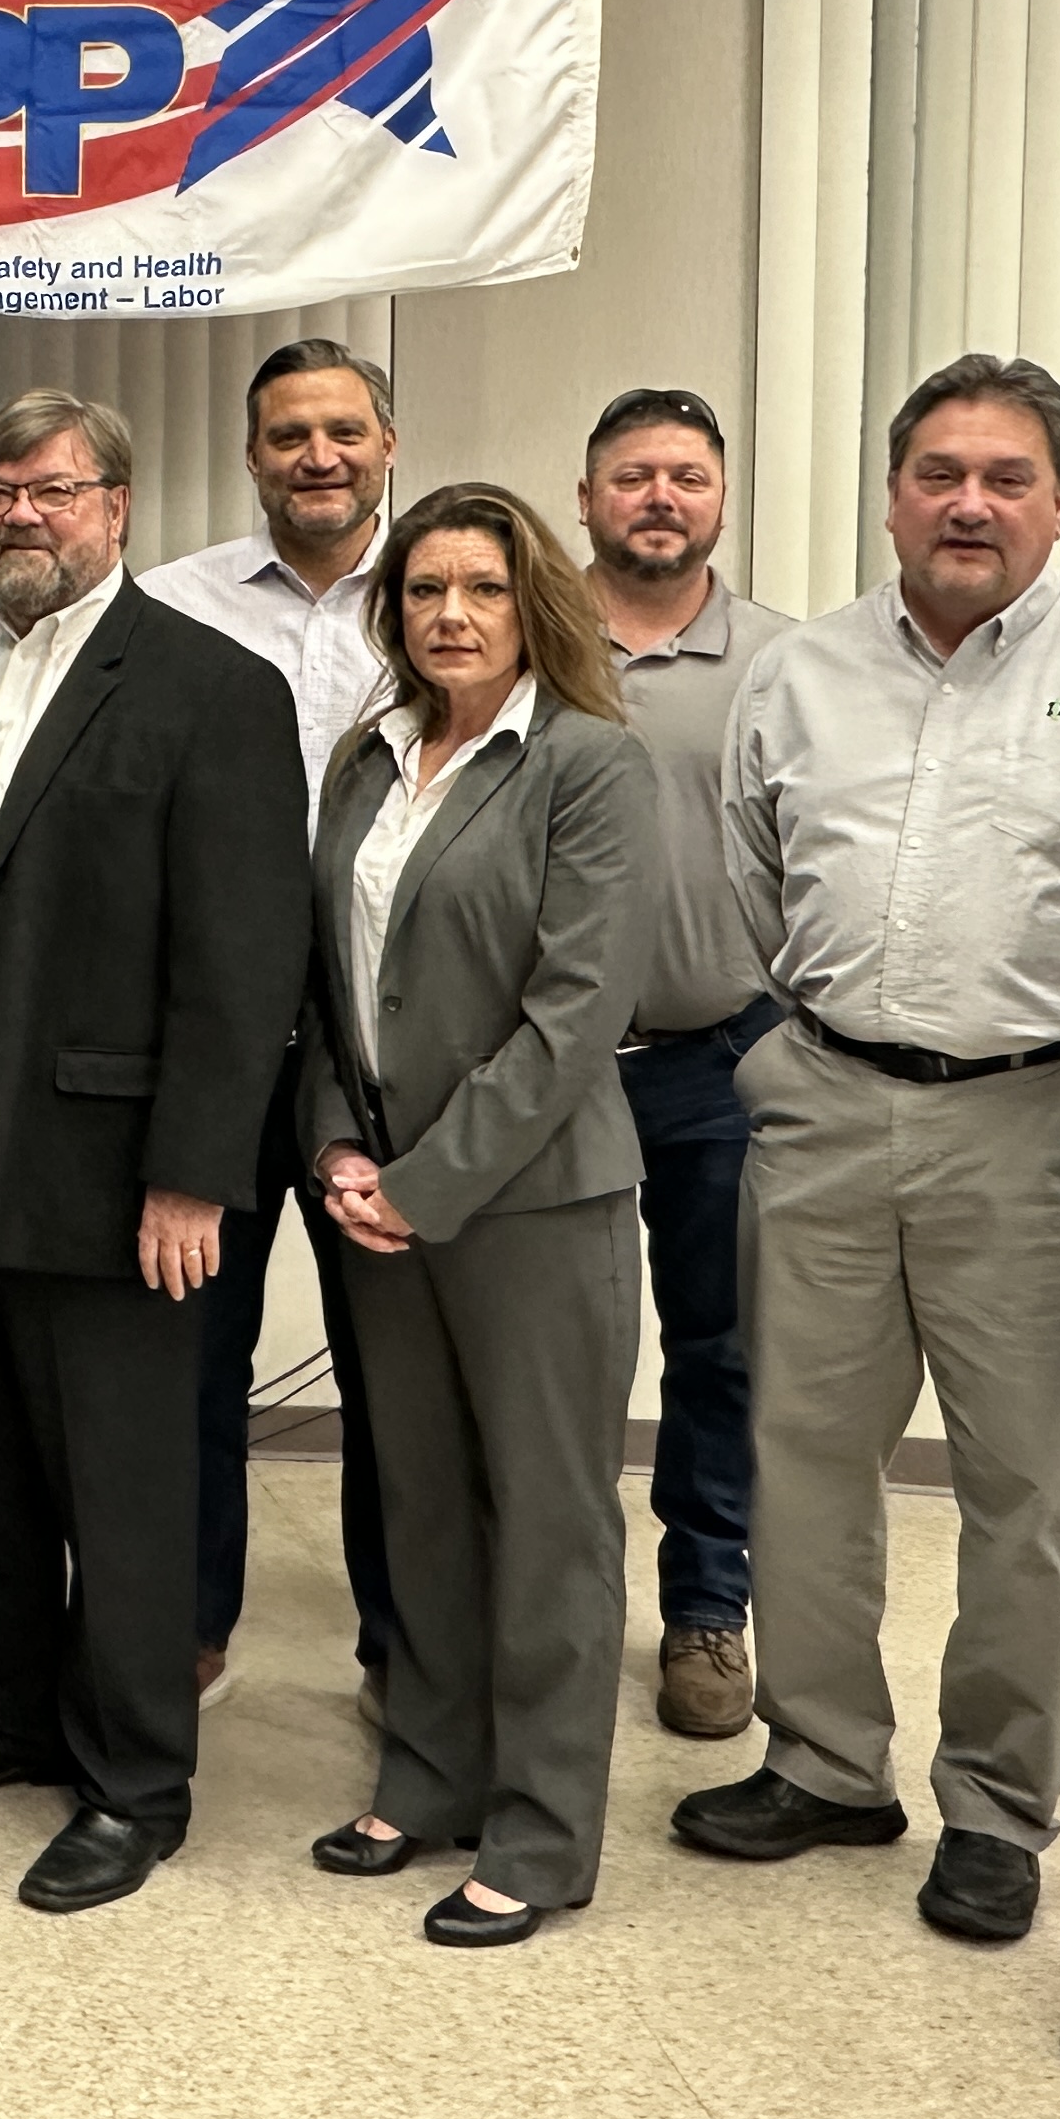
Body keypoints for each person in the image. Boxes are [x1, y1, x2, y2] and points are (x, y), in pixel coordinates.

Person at [683, 354, 1060, 1944]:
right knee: (803, 1459)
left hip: (1044, 1124)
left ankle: (995, 1808)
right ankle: (824, 1762)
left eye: (1007, 477)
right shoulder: (795, 678)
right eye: (940, 472)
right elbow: (754, 885)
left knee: (1030, 1487)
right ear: (891, 494)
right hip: (829, 1107)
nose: (970, 503)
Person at [0, 392, 310, 1915]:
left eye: (54, 490)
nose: (23, 516)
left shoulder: (209, 687)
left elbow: (246, 959)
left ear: (117, 505)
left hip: (119, 1164)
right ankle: (4, 1715)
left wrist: (195, 1171)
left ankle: (134, 1780)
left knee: (123, 1483)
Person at [300, 484, 655, 1947]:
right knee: (423, 1502)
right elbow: (321, 981)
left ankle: (546, 1826)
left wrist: (428, 1182)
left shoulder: (591, 765)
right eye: (427, 589)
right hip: (375, 1193)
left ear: (536, 607)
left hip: (532, 1205)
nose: (451, 613)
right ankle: (433, 1772)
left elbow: (574, 1015)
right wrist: (335, 1148)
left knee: (549, 1518)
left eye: (484, 589)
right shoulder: (362, 761)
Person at [138, 336, 409, 1712]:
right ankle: (186, 1620)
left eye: (343, 432)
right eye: (290, 434)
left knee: (396, 1365)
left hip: (381, 1037)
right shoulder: (172, 607)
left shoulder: (443, 599)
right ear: (251, 457)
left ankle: (400, 1644)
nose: (318, 456)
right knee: (195, 1351)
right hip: (219, 1030)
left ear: (385, 447)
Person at [573, 388, 793, 1743]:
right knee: (565, 1355)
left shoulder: (786, 660)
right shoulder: (534, 640)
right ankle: (558, 1601)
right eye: (634, 475)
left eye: (688, 477)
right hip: (560, 1069)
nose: (661, 496)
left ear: (720, 496)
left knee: (721, 1352)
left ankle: (709, 1610)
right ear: (587, 494)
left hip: (725, 1059)